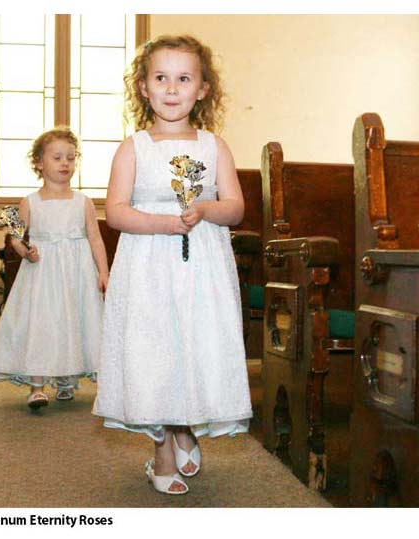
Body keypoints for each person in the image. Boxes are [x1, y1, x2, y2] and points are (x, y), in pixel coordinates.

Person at [92, 35, 252, 495]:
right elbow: (116, 211)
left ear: (203, 89)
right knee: (155, 347)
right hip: (148, 266)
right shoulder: (133, 148)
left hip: (201, 265)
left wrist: (203, 210)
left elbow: (235, 207)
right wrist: (163, 223)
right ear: (143, 87)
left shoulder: (214, 146)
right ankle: (163, 449)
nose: (171, 88)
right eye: (160, 78)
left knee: (195, 341)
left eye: (184, 79)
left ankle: (186, 426)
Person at [0, 126, 109, 410]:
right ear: (39, 163)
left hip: (77, 272)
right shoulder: (30, 202)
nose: (65, 163)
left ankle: (67, 378)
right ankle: (37, 385)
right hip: (42, 273)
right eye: (57, 158)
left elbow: (95, 239)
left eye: (71, 157)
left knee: (75, 320)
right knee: (43, 323)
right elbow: (16, 238)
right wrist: (25, 252)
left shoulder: (84, 202)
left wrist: (103, 272)